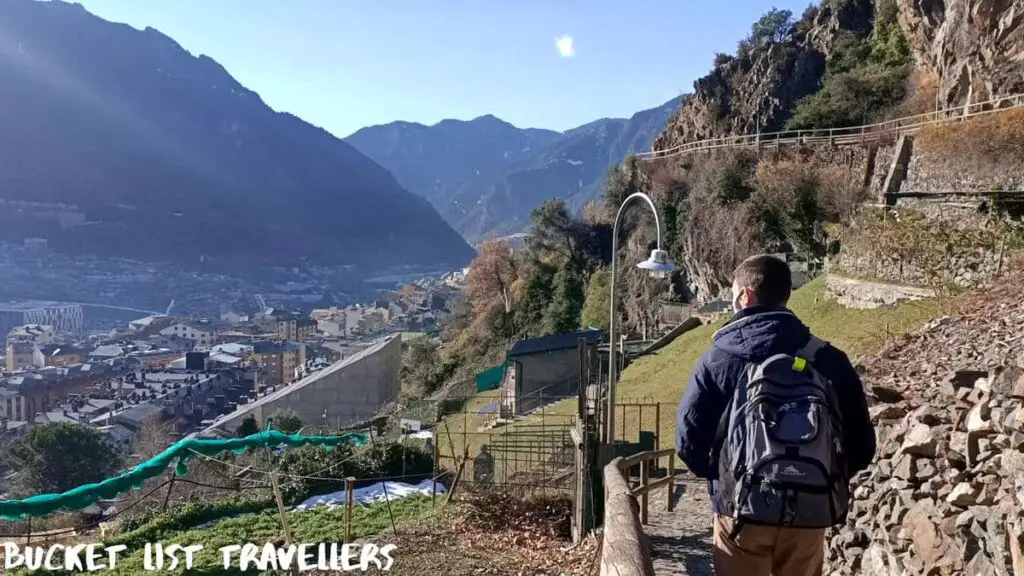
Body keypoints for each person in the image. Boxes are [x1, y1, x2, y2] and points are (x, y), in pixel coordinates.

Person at [675, 254, 875, 576]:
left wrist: (722, 480)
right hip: (809, 511)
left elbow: (688, 440)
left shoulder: (717, 360)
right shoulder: (829, 359)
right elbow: (862, 447)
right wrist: (812, 478)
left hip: (742, 511)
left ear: (745, 296)